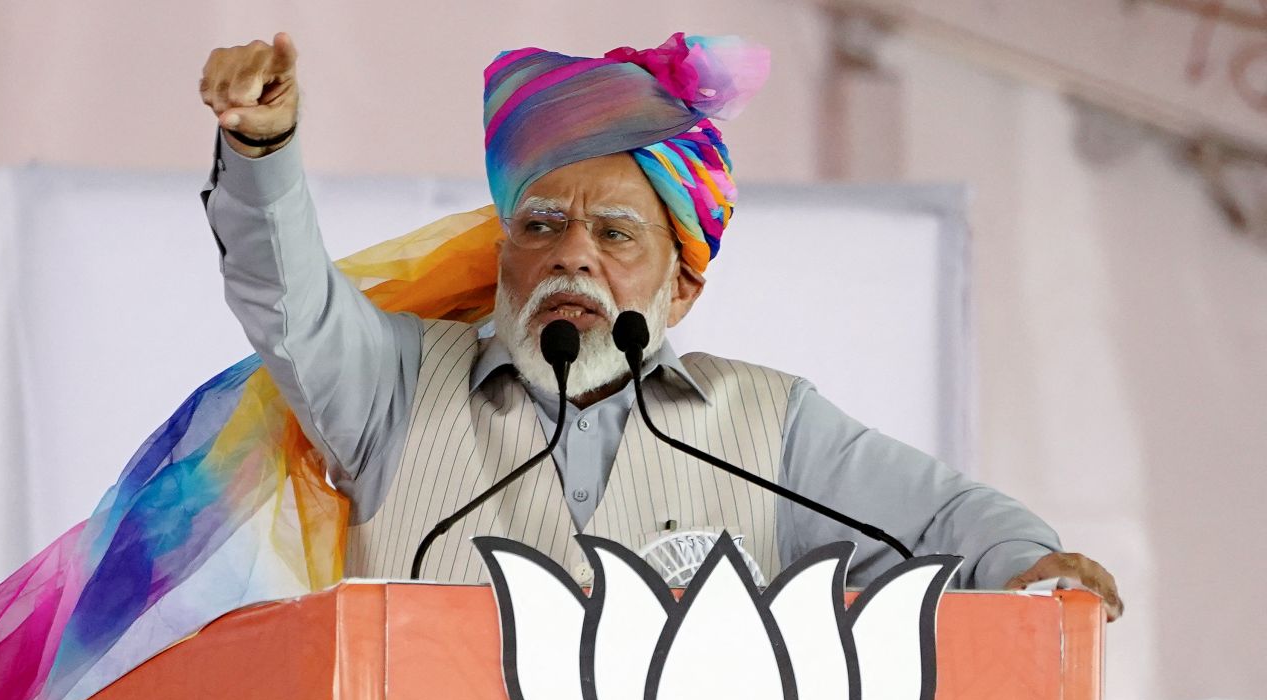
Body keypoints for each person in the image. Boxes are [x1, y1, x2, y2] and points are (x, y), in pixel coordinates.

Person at [198, 31, 1122, 619]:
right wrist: (261, 148)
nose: (572, 255)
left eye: (615, 234)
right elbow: (286, 297)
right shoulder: (393, 387)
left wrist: (1032, 570)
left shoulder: (767, 427)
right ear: (506, 256)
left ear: (680, 290)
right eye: (542, 225)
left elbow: (950, 521)